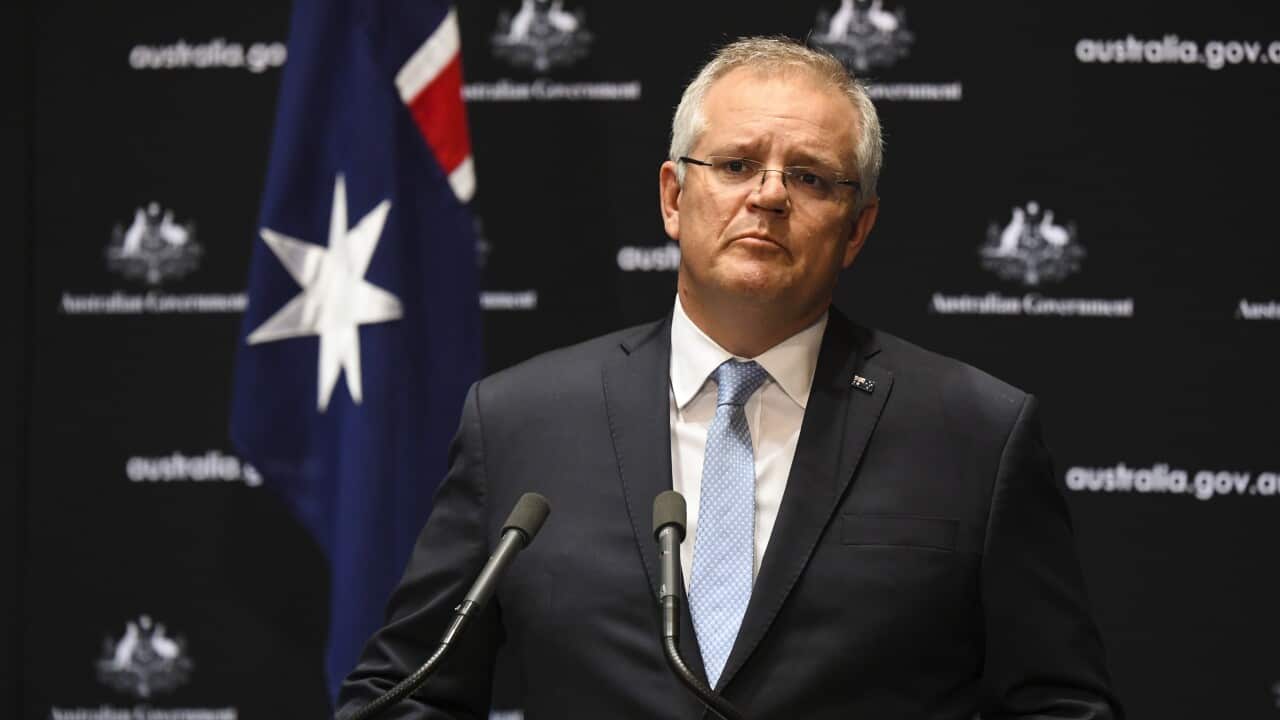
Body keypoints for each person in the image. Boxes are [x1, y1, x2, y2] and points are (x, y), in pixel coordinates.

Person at [337, 36, 1122, 719]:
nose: (770, 195)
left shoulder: (975, 432)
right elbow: (409, 692)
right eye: (737, 164)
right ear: (675, 198)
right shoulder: (520, 420)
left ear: (859, 229)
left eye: (811, 177)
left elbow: (1059, 706)